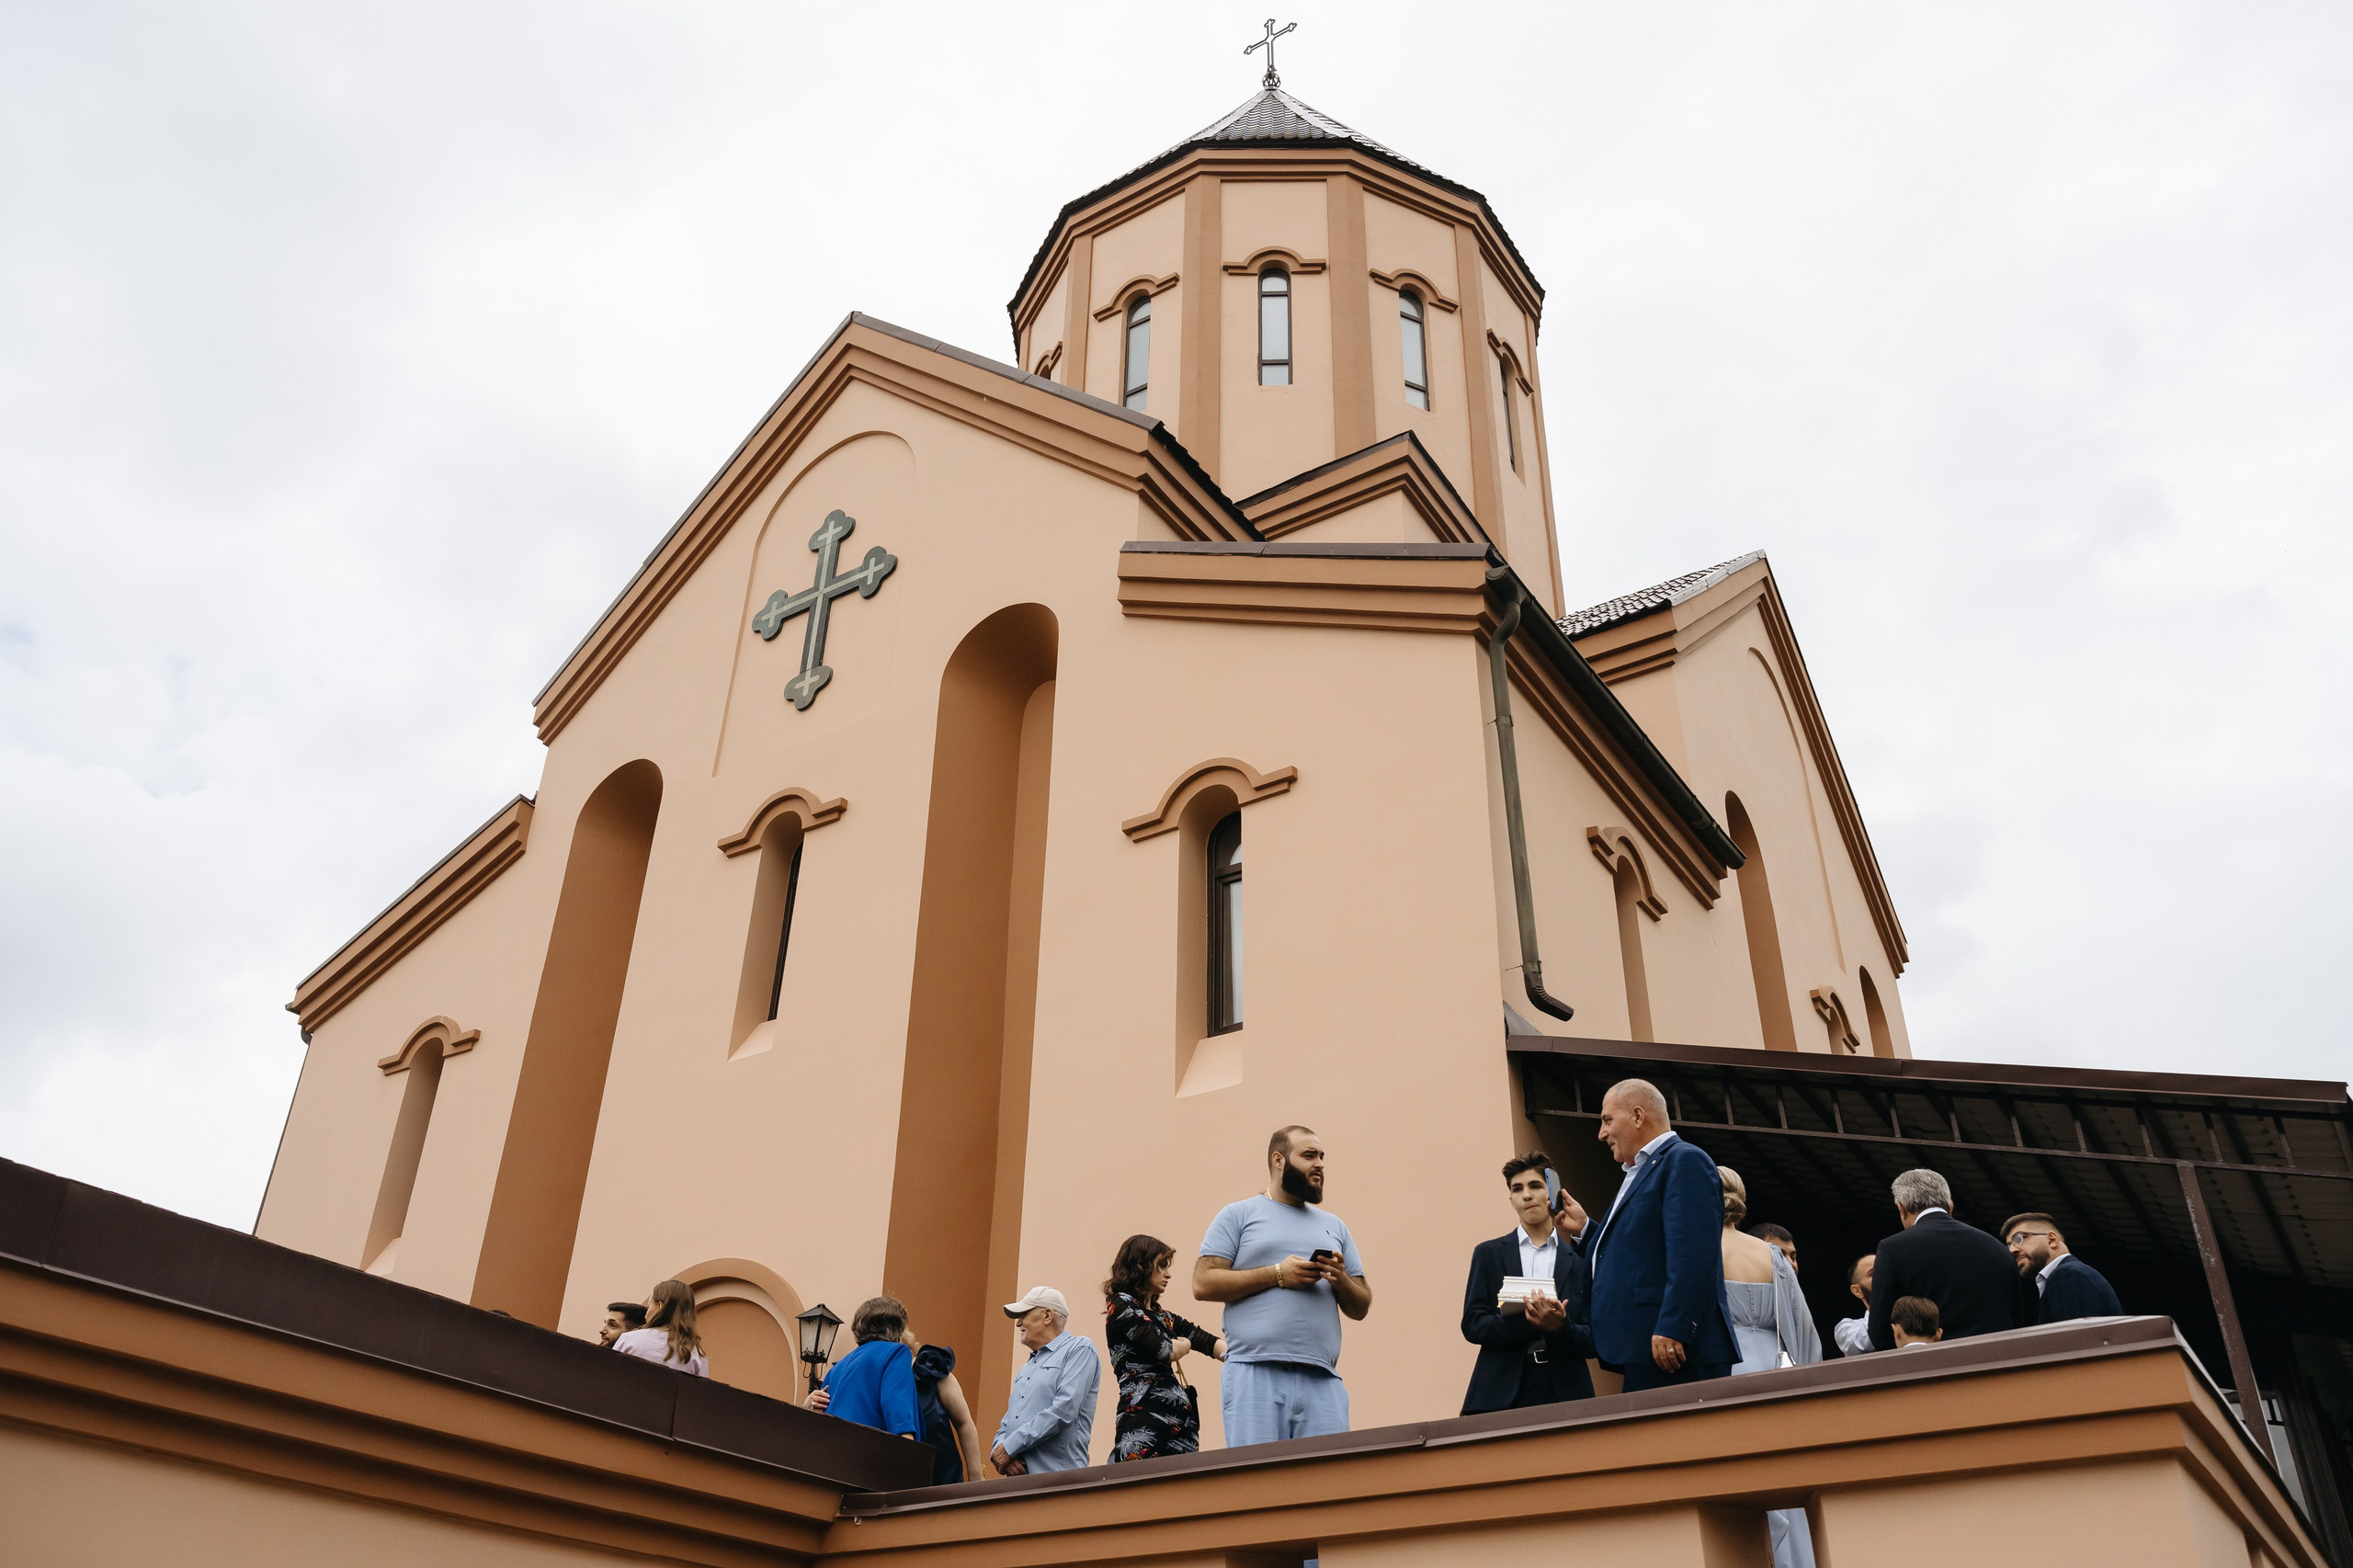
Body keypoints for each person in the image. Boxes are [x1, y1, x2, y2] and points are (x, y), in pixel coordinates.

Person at [1195, 1125, 1372, 1445]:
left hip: (1323, 1379)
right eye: (1308, 1155)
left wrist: (1340, 1278)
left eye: (1321, 1156)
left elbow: (1360, 1306)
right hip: (1254, 1372)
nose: (1319, 1164)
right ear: (1278, 1160)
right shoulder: (1238, 1215)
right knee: (1257, 1484)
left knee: (1329, 1485)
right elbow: (1203, 1282)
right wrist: (1278, 1273)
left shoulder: (1335, 1226)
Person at [1574, 1079, 1737, 1392]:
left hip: (1676, 1351)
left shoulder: (1685, 1160)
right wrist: (1586, 1230)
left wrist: (1674, 1327)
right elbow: (1640, 1249)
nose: (1601, 1133)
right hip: (1650, 1351)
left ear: (1637, 1116)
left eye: (1607, 1120)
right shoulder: (1642, 1170)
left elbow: (1693, 1255)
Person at [1720, 1168, 1821, 1568]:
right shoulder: (1773, 1256)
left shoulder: (1695, 1251)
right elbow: (1803, 1329)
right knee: (1785, 1478)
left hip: (1726, 1368)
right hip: (1775, 1372)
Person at [1460, 1153, 1596, 1415]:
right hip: (1500, 1392)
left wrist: (1561, 1327)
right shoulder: (1488, 1254)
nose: (1526, 1195)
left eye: (1535, 1185)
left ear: (1551, 1193)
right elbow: (1472, 1324)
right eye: (1517, 1189)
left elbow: (1593, 1340)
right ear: (1511, 1200)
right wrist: (1531, 1321)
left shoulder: (1580, 1261)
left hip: (1566, 1391)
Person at [1103, 1234, 1226, 1462]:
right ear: (1140, 1265)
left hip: (1182, 1430)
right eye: (1161, 1266)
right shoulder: (1120, 1304)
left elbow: (1207, 1341)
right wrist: (1185, 1344)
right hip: (1144, 1424)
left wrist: (1243, 1357)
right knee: (1138, 1492)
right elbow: (1164, 1350)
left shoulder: (1163, 1317)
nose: (1168, 1274)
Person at [1867, 1170, 2019, 1351]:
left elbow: (1880, 1331)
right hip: (1999, 1364)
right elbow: (2019, 1318)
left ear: (1902, 1208)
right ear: (1951, 1206)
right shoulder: (1998, 1248)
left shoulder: (1892, 1248)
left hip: (1935, 1368)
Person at [990, 1286, 1101, 1475]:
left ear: (1047, 1316)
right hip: (1019, 1486)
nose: (1018, 1323)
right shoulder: (1027, 1366)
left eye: (1024, 1314)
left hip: (1059, 1483)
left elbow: (1064, 1409)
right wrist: (998, 1449)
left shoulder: (1079, 1348)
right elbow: (1009, 1420)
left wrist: (1010, 1447)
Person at [813, 1297, 919, 1438]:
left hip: (832, 1452)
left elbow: (821, 1417)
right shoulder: (896, 1352)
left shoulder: (836, 1369)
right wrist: (909, 1449)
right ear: (896, 1326)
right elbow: (897, 1410)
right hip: (872, 1453)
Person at [2001, 1212, 2123, 1323]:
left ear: (2052, 1240)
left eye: (2019, 1239)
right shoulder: (2070, 1274)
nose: (2012, 1250)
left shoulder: (2069, 1275)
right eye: (2009, 1245)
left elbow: (2077, 1341)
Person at [907, 1330, 984, 1483]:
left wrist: (975, 1474)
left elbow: (964, 1422)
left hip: (945, 1478)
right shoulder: (875, 1378)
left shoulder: (929, 1369)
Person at [612, 1279, 709, 1377]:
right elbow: (702, 1390)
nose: (646, 1314)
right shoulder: (697, 1354)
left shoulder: (629, 1339)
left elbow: (609, 1377)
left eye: (649, 1305)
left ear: (659, 1306)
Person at [1832, 1255, 1876, 1357]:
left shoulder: (1914, 1313)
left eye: (1885, 1270)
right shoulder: (1846, 1328)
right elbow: (1865, 1343)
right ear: (1857, 1290)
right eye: (1873, 1273)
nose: (1883, 1277)